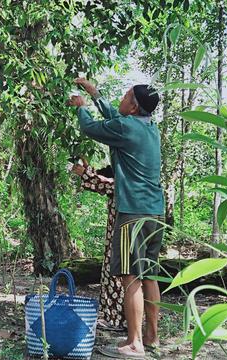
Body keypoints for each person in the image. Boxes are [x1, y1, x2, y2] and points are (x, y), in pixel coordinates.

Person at [68, 78, 165, 359]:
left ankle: (135, 343)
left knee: (130, 276)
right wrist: (95, 94)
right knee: (149, 275)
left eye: (124, 96)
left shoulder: (125, 126)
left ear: (133, 107)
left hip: (132, 214)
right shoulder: (149, 127)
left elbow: (90, 127)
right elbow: (114, 115)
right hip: (154, 212)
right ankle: (152, 337)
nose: (120, 99)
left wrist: (81, 107)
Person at [70, 159, 126, 331]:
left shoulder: (129, 167)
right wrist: (88, 171)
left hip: (125, 222)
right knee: (117, 269)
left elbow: (112, 186)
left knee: (117, 270)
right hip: (129, 220)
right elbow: (106, 177)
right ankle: (117, 318)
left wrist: (86, 174)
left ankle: (118, 321)